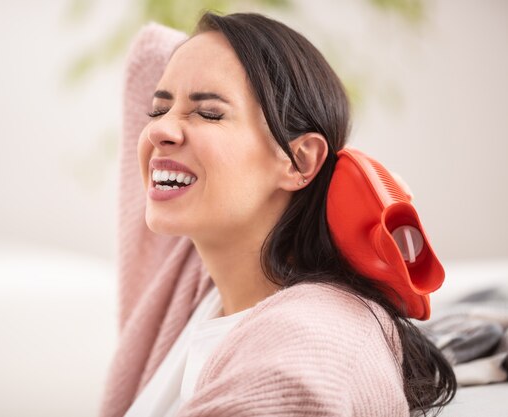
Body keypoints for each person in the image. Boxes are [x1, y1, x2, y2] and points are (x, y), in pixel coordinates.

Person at [100, 12, 456, 417]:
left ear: (300, 162)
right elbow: (151, 55)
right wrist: (355, 188)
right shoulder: (196, 286)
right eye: (159, 110)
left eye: (209, 113)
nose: (160, 131)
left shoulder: (307, 345)